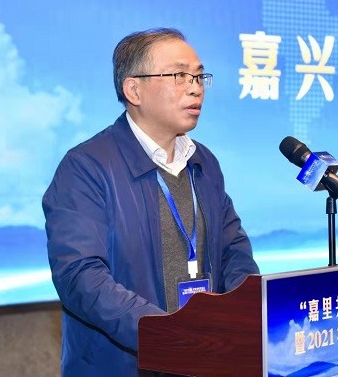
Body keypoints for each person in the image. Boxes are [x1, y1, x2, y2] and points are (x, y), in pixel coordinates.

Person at [42, 28, 259, 376]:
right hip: (126, 365)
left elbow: (234, 250)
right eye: (179, 76)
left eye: (199, 76)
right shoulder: (86, 167)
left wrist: (239, 318)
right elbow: (80, 276)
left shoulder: (203, 162)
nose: (195, 88)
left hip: (208, 359)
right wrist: (167, 336)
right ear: (134, 90)